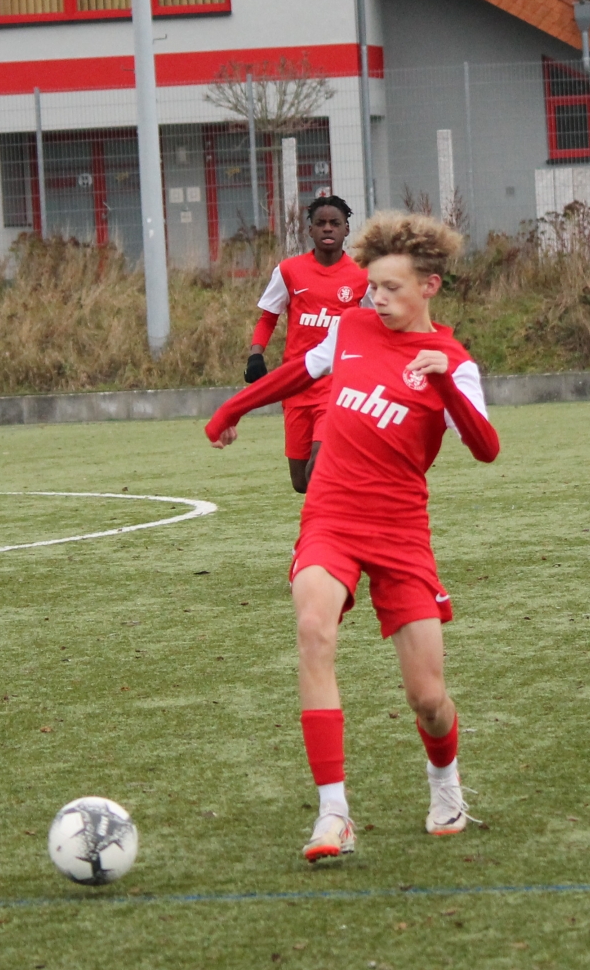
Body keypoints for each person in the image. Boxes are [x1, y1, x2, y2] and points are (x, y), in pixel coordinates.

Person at [204, 211, 500, 862]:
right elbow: (299, 373)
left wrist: (443, 383)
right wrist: (232, 408)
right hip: (330, 517)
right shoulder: (352, 327)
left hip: (400, 532)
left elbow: (485, 447)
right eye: (372, 287)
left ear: (429, 286)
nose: (377, 299)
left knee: (427, 698)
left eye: (391, 288)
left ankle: (445, 783)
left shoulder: (453, 363)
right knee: (314, 630)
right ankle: (333, 814)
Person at [245, 195, 372, 493]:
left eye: (335, 223)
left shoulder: (362, 276)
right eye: (321, 223)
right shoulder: (289, 271)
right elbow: (268, 318)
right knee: (301, 482)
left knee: (319, 465)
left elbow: (374, 326)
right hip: (297, 385)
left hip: (337, 386)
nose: (328, 228)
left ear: (346, 229)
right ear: (310, 230)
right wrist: (256, 355)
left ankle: (339, 520)